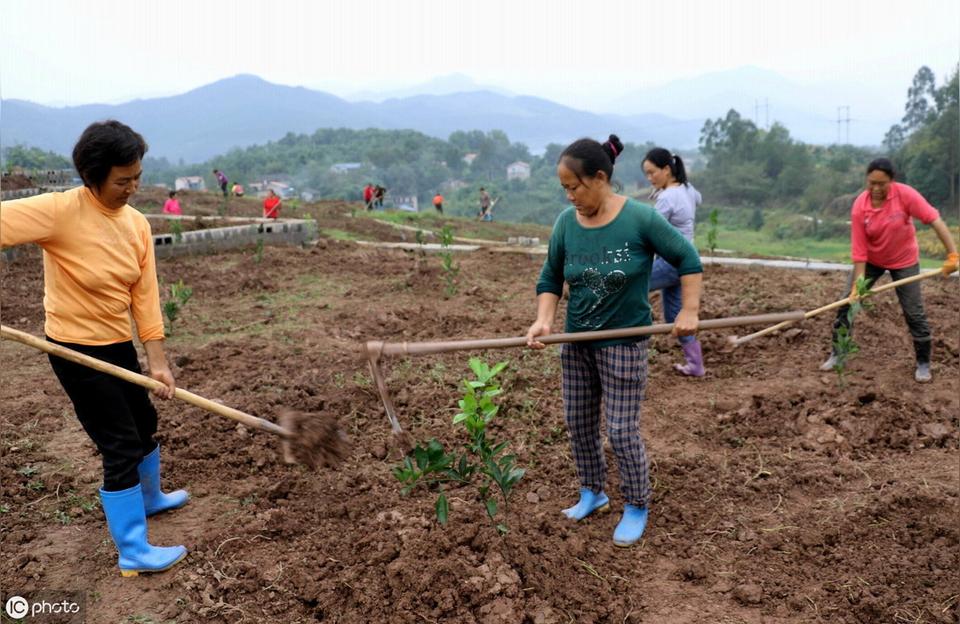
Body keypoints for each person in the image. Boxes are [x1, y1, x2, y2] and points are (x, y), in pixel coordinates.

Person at [0, 120, 188, 577]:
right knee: (119, 443)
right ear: (92, 176)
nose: (132, 187)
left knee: (144, 421)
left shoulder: (137, 225)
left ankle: (149, 499)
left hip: (116, 343)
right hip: (75, 351)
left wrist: (157, 363)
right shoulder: (60, 211)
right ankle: (133, 551)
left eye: (137, 177)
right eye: (122, 180)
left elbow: (144, 297)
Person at [526, 134, 703, 547]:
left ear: (600, 178)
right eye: (564, 188)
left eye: (574, 186)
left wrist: (688, 311)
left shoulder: (640, 219)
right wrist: (544, 320)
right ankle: (593, 492)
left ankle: (637, 504)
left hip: (624, 343)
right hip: (576, 342)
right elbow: (551, 277)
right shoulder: (566, 223)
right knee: (579, 423)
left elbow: (687, 260)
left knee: (621, 431)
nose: (569, 196)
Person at [819, 158, 958, 382]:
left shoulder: (905, 195)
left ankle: (923, 363)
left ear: (891, 182)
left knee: (914, 312)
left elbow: (935, 220)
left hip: (904, 261)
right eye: (871, 182)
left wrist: (952, 254)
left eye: (881, 184)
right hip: (872, 260)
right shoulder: (859, 207)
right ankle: (838, 354)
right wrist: (858, 285)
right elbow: (859, 251)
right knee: (847, 303)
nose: (875, 188)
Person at [642, 148, 705, 376]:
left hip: (671, 262)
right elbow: (698, 199)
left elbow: (650, 231)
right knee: (675, 316)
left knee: (632, 285)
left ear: (667, 169)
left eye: (652, 173)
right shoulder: (687, 189)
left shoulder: (667, 198)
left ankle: (637, 330)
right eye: (646, 175)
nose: (650, 178)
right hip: (686, 262)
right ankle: (695, 365)